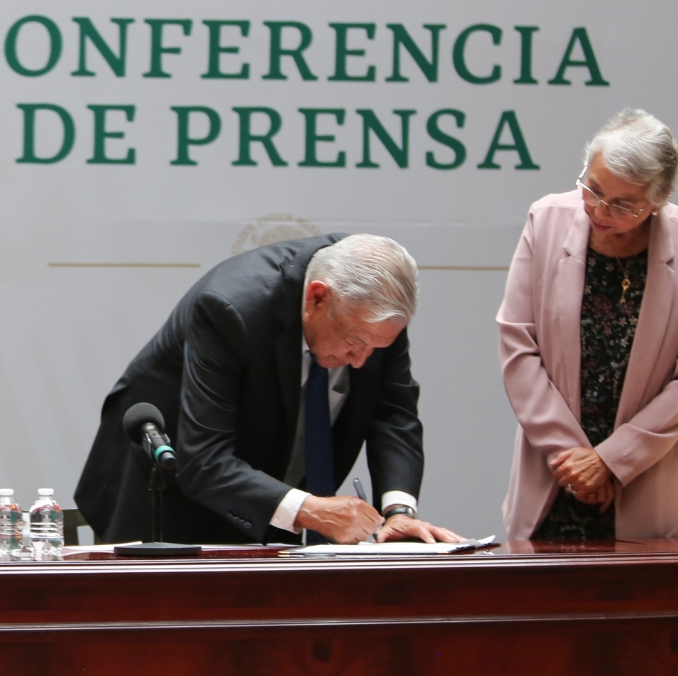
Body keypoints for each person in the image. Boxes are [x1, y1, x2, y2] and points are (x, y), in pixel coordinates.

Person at [76, 233, 461, 545]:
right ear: (317, 298)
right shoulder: (230, 309)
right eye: (353, 341)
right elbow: (203, 459)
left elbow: (393, 414)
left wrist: (398, 512)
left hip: (271, 496)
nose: (360, 361)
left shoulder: (375, 308)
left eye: (376, 348)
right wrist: (310, 509)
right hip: (164, 494)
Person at [498, 109, 678, 541]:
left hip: (653, 478)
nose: (600, 211)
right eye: (593, 189)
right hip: (557, 474)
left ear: (658, 200)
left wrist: (611, 461)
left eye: (623, 205)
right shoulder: (546, 220)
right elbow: (518, 344)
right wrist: (574, 458)